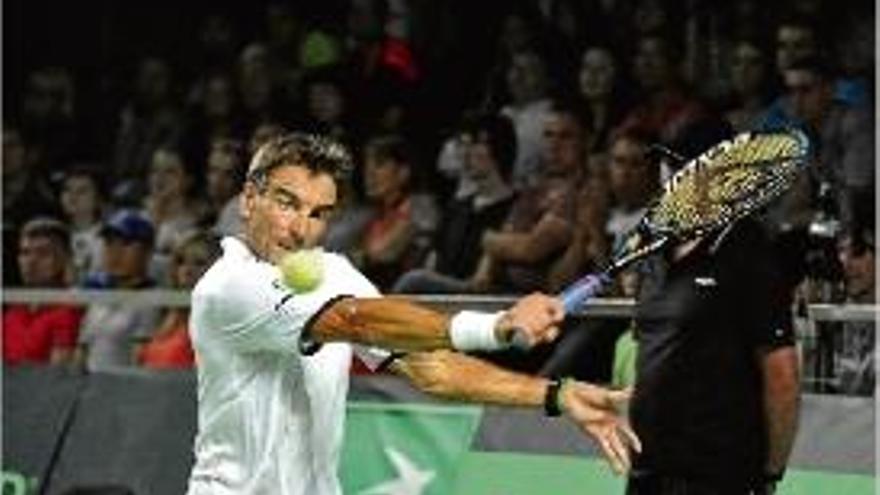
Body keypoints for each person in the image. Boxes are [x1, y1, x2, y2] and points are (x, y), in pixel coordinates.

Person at [186, 132, 640, 494]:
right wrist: (497, 326)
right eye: (287, 202)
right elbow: (352, 321)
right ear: (249, 200)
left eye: (318, 212)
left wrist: (555, 395)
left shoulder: (335, 274)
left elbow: (431, 368)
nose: (300, 227)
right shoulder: (227, 287)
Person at [627, 217, 800, 494]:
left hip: (719, 477)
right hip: (647, 474)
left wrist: (770, 472)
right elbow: (649, 360)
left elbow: (783, 376)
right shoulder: (652, 249)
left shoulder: (750, 246)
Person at [76, 209, 162, 372]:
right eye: (109, 243)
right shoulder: (99, 296)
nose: (114, 251)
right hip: (91, 391)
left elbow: (141, 360)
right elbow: (82, 352)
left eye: (125, 243)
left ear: (147, 250)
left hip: (124, 391)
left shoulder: (153, 300)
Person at [137, 230, 221, 370]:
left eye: (199, 263)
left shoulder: (221, 324)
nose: (186, 270)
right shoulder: (166, 316)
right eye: (181, 262)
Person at [3, 218, 82, 366]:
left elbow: (56, 378)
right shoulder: (14, 309)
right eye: (25, 252)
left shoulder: (69, 311)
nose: (31, 261)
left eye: (43, 253)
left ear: (65, 259)